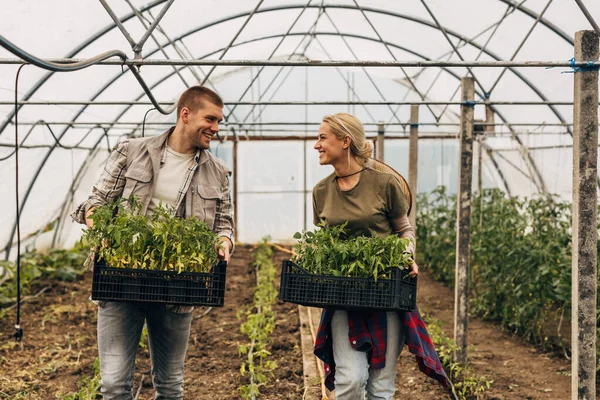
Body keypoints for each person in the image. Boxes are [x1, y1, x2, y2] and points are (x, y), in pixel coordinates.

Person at [71, 86, 234, 400]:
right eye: (210, 119)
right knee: (114, 385)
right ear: (185, 114)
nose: (216, 128)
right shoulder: (132, 151)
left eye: (218, 121)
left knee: (171, 387)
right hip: (121, 280)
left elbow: (223, 225)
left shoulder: (218, 172)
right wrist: (101, 227)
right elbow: (96, 202)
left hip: (179, 285)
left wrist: (224, 242)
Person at [311, 113, 450, 399]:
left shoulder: (385, 184)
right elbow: (323, 242)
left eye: (323, 137)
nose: (317, 145)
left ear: (346, 141)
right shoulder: (321, 191)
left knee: (380, 386)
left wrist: (406, 254)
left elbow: (404, 230)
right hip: (342, 297)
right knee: (350, 380)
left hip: (385, 291)